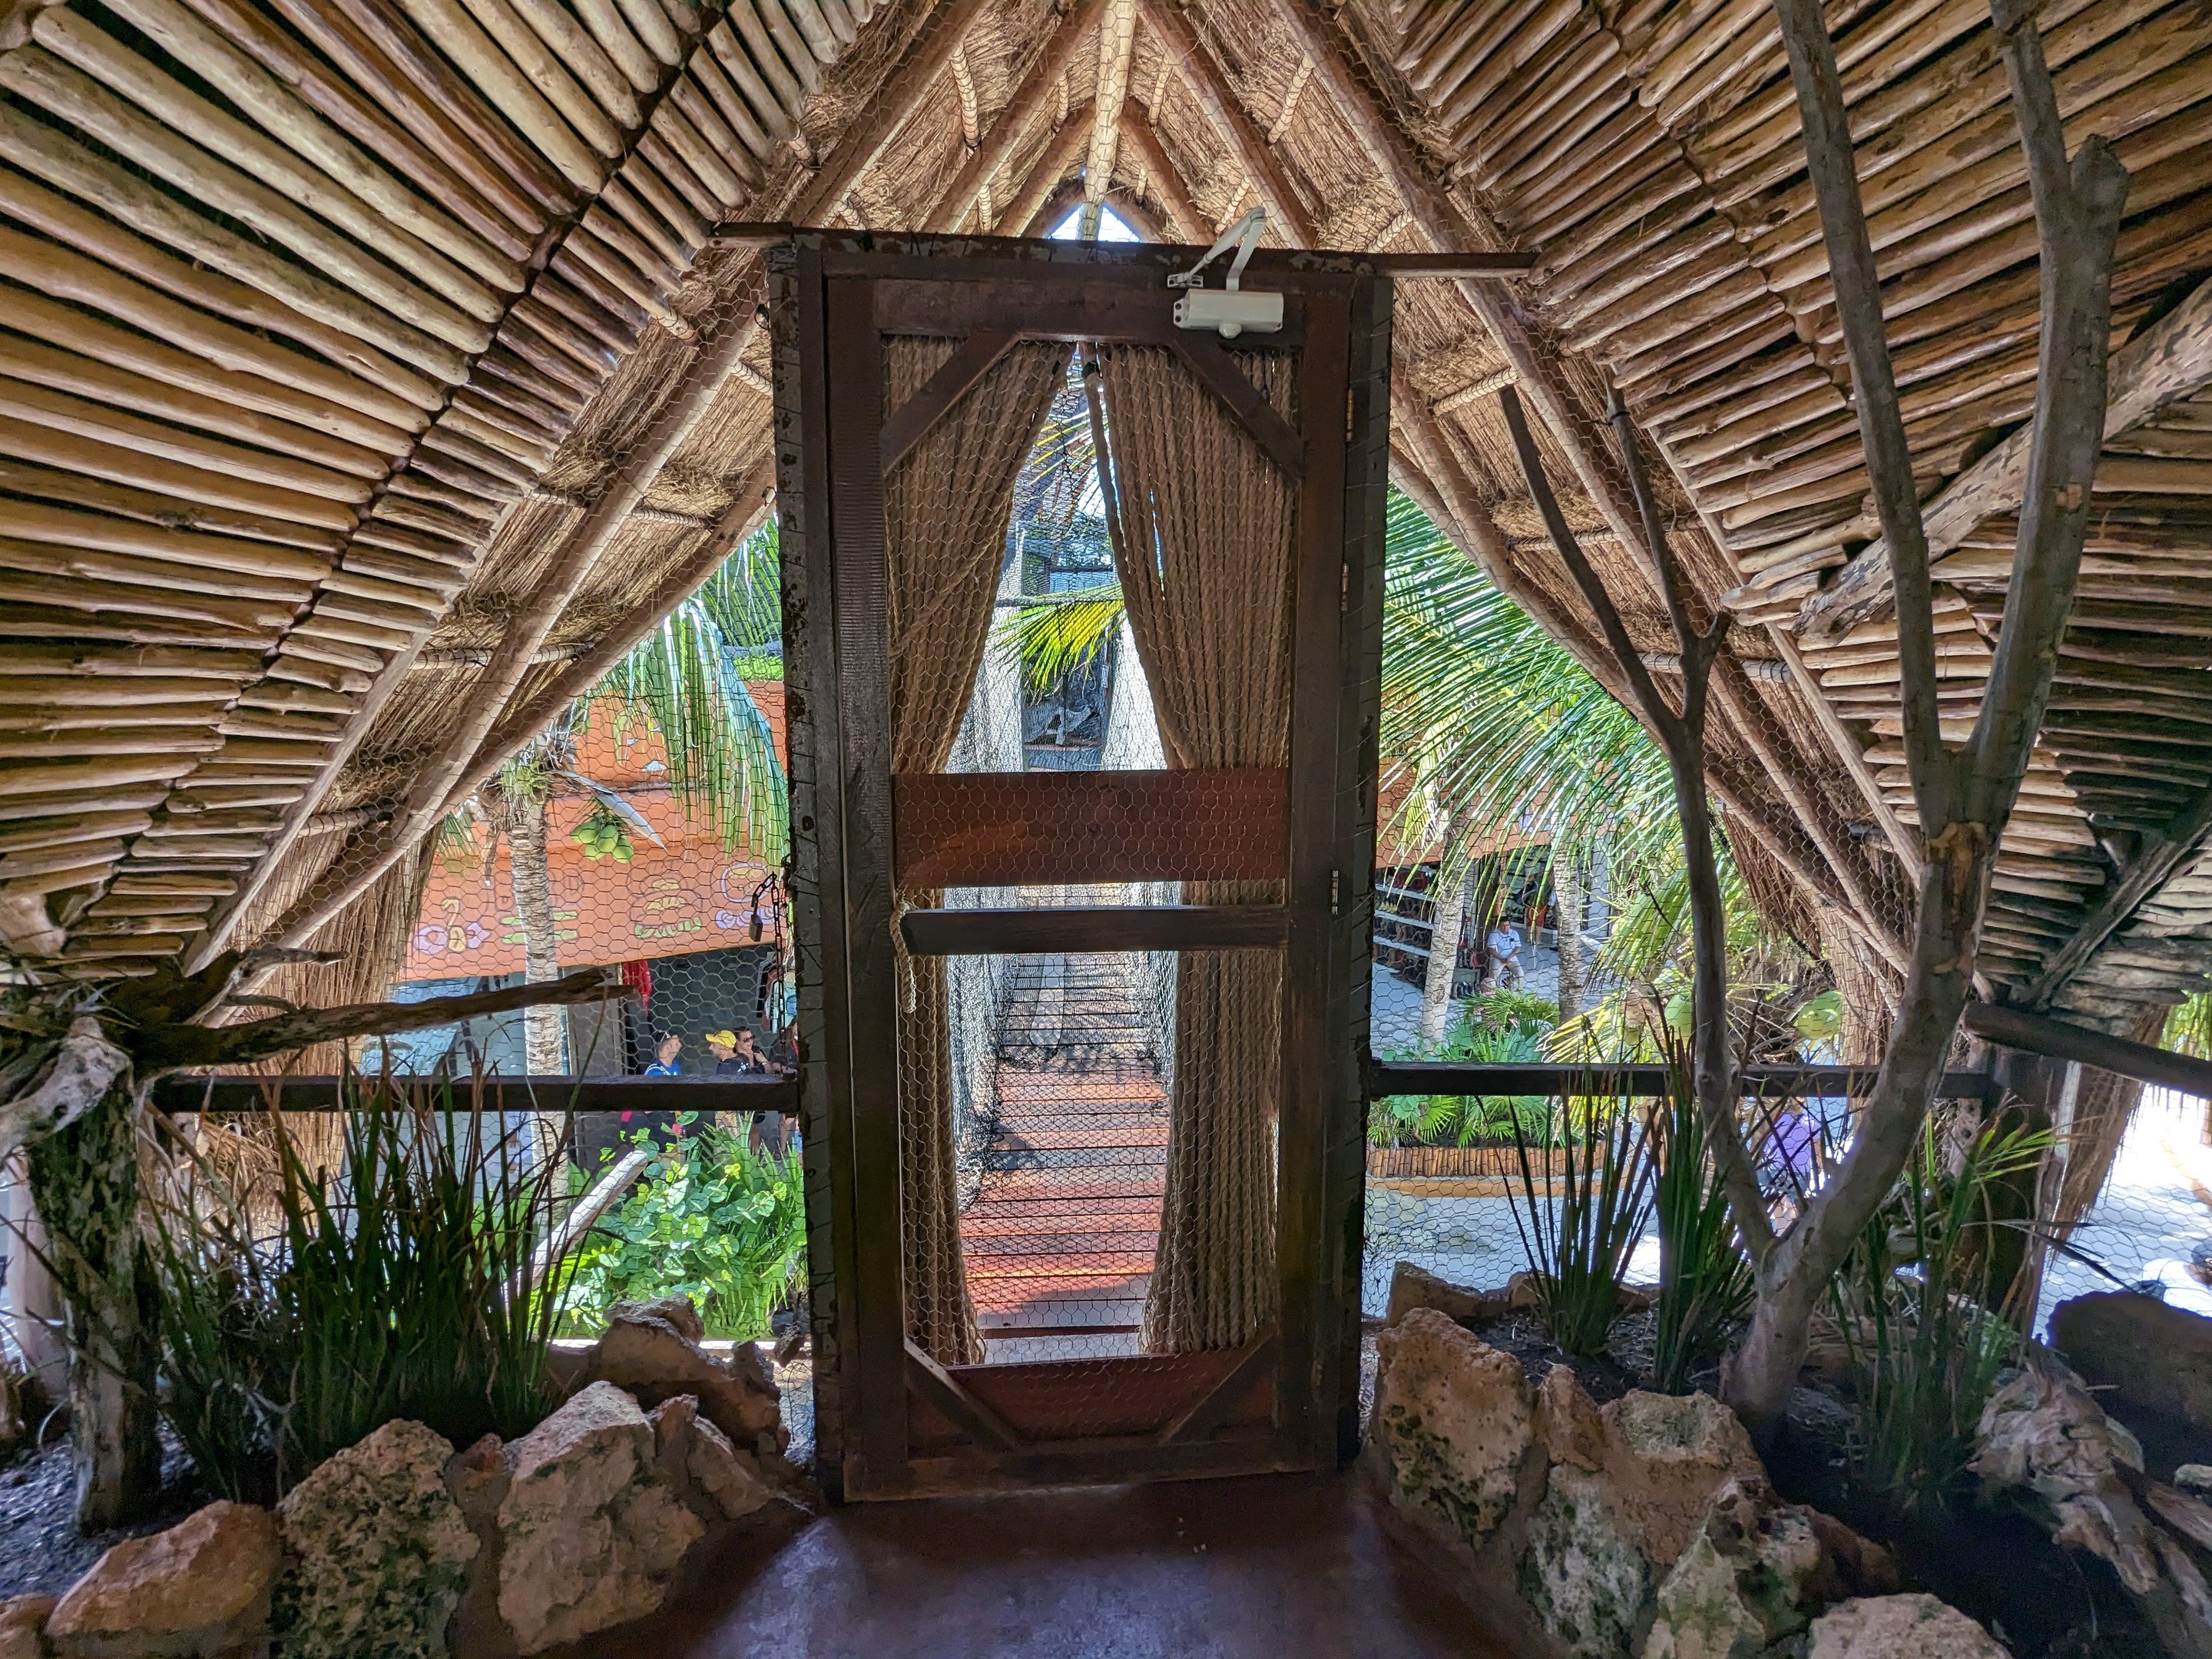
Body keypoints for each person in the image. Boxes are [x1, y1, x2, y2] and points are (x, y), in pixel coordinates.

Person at [1485, 916, 1525, 991]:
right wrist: (1501, 958)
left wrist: (1510, 957)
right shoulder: (1494, 934)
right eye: (1503, 926)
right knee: (1494, 973)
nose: (1505, 928)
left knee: (1520, 974)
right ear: (1499, 925)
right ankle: (1490, 990)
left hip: (1511, 959)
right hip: (1498, 958)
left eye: (1507, 925)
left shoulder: (1514, 933)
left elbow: (1518, 948)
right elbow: (1491, 949)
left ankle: (1508, 982)